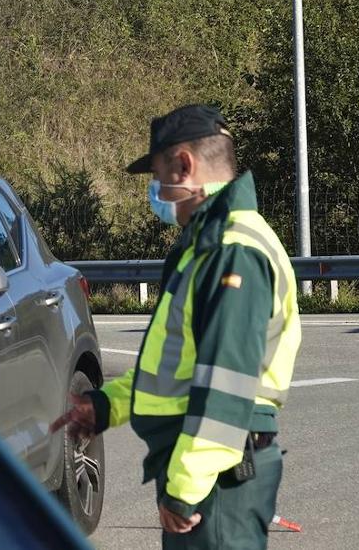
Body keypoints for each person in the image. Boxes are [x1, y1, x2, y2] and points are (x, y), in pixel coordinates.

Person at [52, 105, 302, 549]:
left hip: (216, 482)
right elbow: (173, 369)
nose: (154, 190)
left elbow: (226, 385)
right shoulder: (207, 245)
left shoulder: (232, 250)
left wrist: (185, 491)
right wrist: (105, 405)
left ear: (184, 165)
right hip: (211, 474)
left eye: (157, 173)